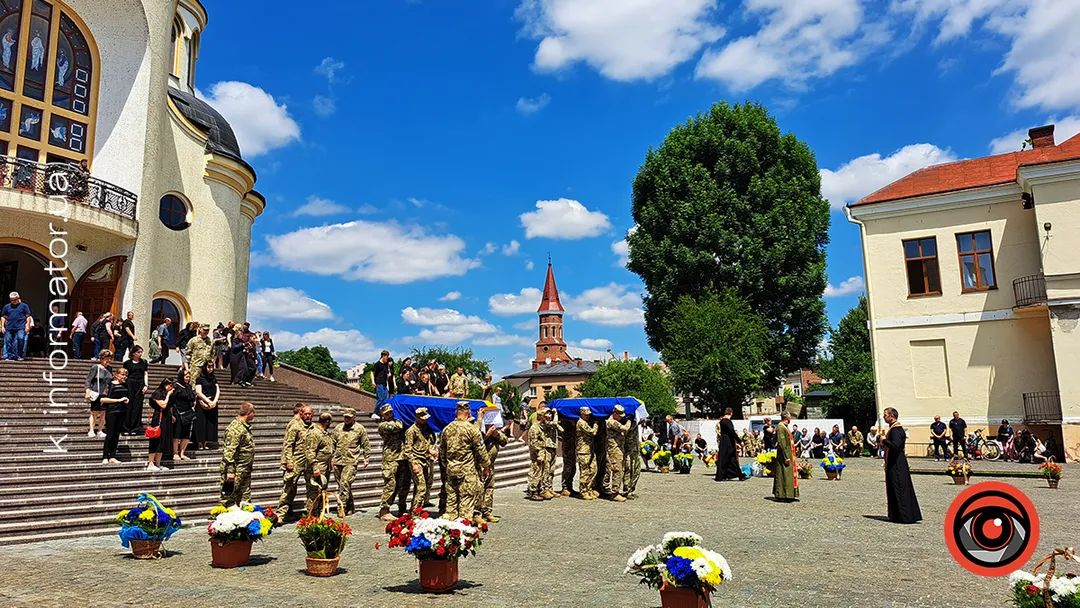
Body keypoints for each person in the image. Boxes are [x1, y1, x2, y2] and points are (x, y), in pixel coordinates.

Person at [439, 401, 491, 521]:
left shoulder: (447, 429)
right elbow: (481, 450)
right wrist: (486, 466)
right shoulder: (471, 429)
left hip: (451, 470)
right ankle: (464, 532)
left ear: (456, 412)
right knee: (466, 504)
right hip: (467, 471)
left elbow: (442, 451)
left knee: (451, 505)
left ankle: (448, 533)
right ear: (468, 412)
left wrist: (447, 465)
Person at [881, 407, 922, 524]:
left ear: (891, 416)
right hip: (895, 462)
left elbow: (896, 447)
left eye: (885, 415)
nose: (884, 417)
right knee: (895, 487)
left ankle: (904, 515)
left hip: (897, 463)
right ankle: (896, 514)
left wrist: (884, 440)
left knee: (899, 487)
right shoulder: (894, 429)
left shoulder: (896, 430)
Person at [277, 403, 313, 520]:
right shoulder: (295, 426)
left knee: (312, 487)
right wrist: (288, 461)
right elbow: (288, 445)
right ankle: (280, 515)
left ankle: (311, 514)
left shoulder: (313, 427)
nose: (308, 416)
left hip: (308, 462)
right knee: (289, 488)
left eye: (309, 414)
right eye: (305, 414)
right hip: (295, 461)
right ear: (301, 414)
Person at [333, 408, 371, 517]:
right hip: (338, 460)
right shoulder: (338, 428)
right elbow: (332, 443)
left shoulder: (359, 429)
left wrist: (366, 458)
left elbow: (366, 444)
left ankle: (341, 507)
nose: (346, 419)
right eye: (345, 417)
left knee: (345, 483)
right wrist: (332, 458)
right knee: (342, 485)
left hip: (351, 461)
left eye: (349, 417)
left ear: (354, 417)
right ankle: (350, 506)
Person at [219, 402, 256, 507]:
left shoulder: (244, 427)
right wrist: (230, 471)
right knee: (228, 498)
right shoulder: (235, 428)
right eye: (253, 412)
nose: (254, 415)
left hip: (244, 469)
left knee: (245, 497)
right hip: (235, 469)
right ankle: (223, 519)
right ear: (249, 413)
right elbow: (229, 452)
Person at [376, 403, 408, 520]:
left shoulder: (395, 420)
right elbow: (398, 427)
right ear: (383, 415)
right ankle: (384, 510)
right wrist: (401, 417)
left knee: (399, 485)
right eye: (387, 413)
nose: (389, 414)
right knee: (390, 484)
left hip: (400, 457)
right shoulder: (383, 425)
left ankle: (399, 508)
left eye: (390, 412)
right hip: (390, 458)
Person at [477, 406, 508, 522]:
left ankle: (487, 511)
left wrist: (495, 434)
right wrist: (487, 435)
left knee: (489, 488)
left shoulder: (496, 431)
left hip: (491, 465)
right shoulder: (478, 430)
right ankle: (477, 513)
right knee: (479, 489)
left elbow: (504, 441)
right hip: (479, 465)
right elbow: (477, 444)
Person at [405, 407, 437, 511]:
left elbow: (426, 443)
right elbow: (408, 450)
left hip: (426, 460)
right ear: (417, 417)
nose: (425, 420)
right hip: (416, 460)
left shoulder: (427, 429)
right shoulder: (411, 431)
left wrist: (430, 451)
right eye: (423, 418)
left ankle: (413, 509)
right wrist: (414, 464)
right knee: (421, 487)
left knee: (420, 487)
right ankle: (415, 513)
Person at [304, 412, 335, 517]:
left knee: (322, 493)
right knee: (314, 494)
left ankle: (319, 516)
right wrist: (315, 467)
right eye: (330, 422)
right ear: (327, 421)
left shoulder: (324, 433)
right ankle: (311, 517)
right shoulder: (315, 433)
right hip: (316, 469)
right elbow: (310, 452)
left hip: (324, 468)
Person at [100, 367, 130, 465]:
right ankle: (105, 456)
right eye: (122, 374)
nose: (124, 377)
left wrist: (126, 400)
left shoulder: (126, 385)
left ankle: (112, 456)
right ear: (116, 375)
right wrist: (119, 400)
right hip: (112, 412)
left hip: (122, 412)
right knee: (110, 434)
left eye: (125, 375)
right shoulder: (109, 385)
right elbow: (103, 400)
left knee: (116, 434)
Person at [145, 378, 174, 471]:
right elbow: (163, 405)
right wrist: (169, 395)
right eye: (169, 384)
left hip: (166, 418)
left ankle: (157, 463)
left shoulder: (166, 393)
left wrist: (172, 416)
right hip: (158, 419)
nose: (170, 387)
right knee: (155, 440)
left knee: (163, 441)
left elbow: (169, 407)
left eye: (171, 385)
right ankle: (150, 463)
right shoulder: (157, 393)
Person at [604, 405, 632, 502]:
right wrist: (629, 421)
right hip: (614, 451)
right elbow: (624, 428)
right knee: (617, 470)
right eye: (620, 415)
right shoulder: (611, 422)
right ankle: (614, 493)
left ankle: (616, 491)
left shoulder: (616, 421)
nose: (621, 417)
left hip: (619, 449)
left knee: (621, 470)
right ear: (614, 413)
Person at [526, 405, 554, 501]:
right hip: (538, 454)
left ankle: (538, 490)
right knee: (536, 472)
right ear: (541, 417)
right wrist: (539, 454)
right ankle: (533, 491)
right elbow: (533, 443)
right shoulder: (534, 428)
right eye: (546, 416)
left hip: (542, 453)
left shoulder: (542, 427)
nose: (548, 417)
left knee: (542, 472)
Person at [84, 349, 113, 438]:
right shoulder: (95, 367)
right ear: (101, 358)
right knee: (94, 413)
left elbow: (110, 381)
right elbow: (88, 380)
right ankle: (92, 430)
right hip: (96, 392)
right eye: (107, 358)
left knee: (103, 413)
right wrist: (87, 391)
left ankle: (100, 430)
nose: (109, 360)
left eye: (110, 358)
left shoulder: (109, 368)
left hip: (105, 393)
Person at [122, 345, 149, 435]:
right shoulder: (127, 363)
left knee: (137, 405)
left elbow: (145, 374)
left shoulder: (144, 362)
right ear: (133, 353)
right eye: (138, 352)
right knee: (128, 405)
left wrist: (146, 385)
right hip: (129, 384)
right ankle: (126, 427)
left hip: (140, 384)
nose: (140, 354)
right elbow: (124, 374)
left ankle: (135, 427)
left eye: (141, 352)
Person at [194, 361, 220, 450]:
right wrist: (208, 401)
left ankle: (206, 442)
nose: (210, 369)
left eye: (212, 367)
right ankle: (199, 442)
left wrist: (215, 401)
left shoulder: (213, 378)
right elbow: (198, 392)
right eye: (209, 367)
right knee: (201, 422)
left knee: (209, 423)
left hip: (212, 403)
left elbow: (218, 390)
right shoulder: (199, 378)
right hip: (203, 402)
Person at [772, 412, 798, 502]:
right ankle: (783, 494)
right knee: (784, 474)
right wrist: (786, 456)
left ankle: (788, 494)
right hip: (784, 455)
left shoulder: (784, 426)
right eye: (790, 417)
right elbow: (782, 442)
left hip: (789, 453)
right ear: (787, 418)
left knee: (787, 474)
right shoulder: (780, 427)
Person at [715, 408, 747, 481]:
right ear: (731, 413)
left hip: (723, 440)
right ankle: (737, 475)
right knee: (731, 458)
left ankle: (727, 475)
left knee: (727, 458)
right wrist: (739, 441)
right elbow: (732, 432)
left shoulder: (722, 421)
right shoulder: (728, 421)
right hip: (728, 441)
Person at [171, 369, 196, 461]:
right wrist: (172, 414)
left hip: (188, 412)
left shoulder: (189, 386)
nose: (187, 378)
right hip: (178, 412)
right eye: (186, 376)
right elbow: (171, 400)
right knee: (177, 433)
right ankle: (175, 453)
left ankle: (182, 453)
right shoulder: (176, 386)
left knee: (186, 434)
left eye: (189, 377)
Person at [575, 407, 599, 499]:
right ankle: (583, 491)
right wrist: (596, 423)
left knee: (593, 470)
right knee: (585, 472)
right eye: (586, 414)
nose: (588, 416)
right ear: (581, 414)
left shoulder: (586, 422)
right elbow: (592, 432)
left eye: (589, 414)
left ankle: (589, 488)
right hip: (583, 452)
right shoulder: (581, 423)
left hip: (590, 450)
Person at [1, 292, 32, 361]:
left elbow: (28, 317)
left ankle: (19, 355)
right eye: (11, 300)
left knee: (20, 340)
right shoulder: (7, 307)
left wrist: (27, 326)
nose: (13, 301)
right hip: (9, 327)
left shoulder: (24, 306)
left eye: (14, 299)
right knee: (8, 341)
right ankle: (10, 356)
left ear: (18, 298)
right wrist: (2, 326)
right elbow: (3, 317)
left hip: (20, 327)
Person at [623, 411, 643, 499]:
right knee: (628, 470)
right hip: (628, 451)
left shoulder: (635, 423)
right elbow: (627, 430)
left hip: (636, 450)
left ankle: (631, 489)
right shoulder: (627, 422)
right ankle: (626, 490)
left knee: (637, 470)